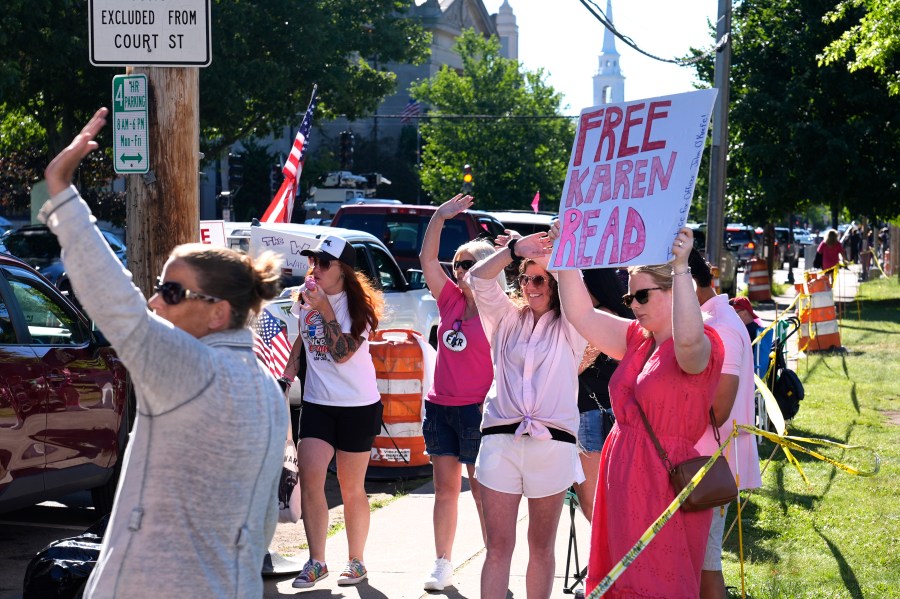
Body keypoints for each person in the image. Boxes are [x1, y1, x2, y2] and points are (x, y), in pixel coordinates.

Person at [40, 108, 287, 597]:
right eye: (158, 287)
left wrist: (61, 190)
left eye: (171, 292)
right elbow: (262, 526)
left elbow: (119, 307)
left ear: (218, 312)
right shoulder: (268, 391)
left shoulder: (193, 370)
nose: (155, 301)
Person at [555, 225, 724, 597]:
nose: (633, 304)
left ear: (674, 290)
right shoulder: (636, 338)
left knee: (658, 583)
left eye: (642, 295)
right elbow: (581, 315)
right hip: (621, 474)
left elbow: (689, 342)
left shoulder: (704, 343)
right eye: (630, 297)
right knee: (622, 581)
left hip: (663, 481)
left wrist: (681, 267)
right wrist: (565, 258)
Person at [467, 232, 587, 599]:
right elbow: (478, 278)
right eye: (525, 279)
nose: (531, 287)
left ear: (554, 284)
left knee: (541, 546)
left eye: (540, 280)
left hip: (553, 446)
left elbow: (575, 286)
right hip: (500, 442)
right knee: (497, 547)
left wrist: (548, 252)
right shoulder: (504, 319)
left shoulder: (573, 326)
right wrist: (515, 251)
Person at [281, 233, 385, 589]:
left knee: (350, 486)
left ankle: (356, 561)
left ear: (343, 270)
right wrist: (289, 371)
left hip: (357, 405)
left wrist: (324, 309)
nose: (316, 269)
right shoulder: (305, 297)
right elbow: (301, 335)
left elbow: (341, 354)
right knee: (310, 477)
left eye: (324, 263)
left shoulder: (361, 309)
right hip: (318, 403)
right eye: (313, 261)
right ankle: (317, 561)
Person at [418, 194, 497, 591]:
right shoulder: (449, 299)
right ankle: (442, 563)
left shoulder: (498, 309)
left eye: (468, 264)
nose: (459, 270)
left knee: (484, 494)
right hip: (441, 408)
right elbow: (427, 260)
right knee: (445, 491)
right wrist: (439, 216)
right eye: (458, 264)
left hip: (479, 412)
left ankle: (495, 562)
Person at [688, 251, 761, 599]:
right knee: (698, 563)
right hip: (703, 462)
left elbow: (718, 410)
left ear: (689, 283)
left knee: (706, 565)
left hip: (711, 464)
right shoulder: (712, 319)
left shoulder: (721, 326)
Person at [572, 268, 634, 520]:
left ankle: (607, 547)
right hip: (601, 413)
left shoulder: (602, 317)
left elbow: (574, 367)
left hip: (592, 416)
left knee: (594, 505)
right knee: (600, 503)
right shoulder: (613, 316)